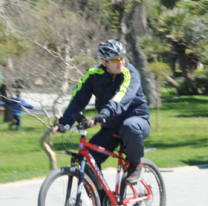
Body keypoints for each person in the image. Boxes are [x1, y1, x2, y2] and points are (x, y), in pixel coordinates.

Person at [53, 39, 151, 188]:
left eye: (122, 58)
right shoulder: (93, 74)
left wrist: (104, 112)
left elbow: (122, 96)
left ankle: (136, 165)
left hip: (136, 120)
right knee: (87, 162)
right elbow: (78, 99)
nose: (121, 62)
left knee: (128, 126)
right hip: (111, 125)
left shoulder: (130, 73)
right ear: (104, 62)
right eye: (115, 60)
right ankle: (103, 204)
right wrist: (65, 122)